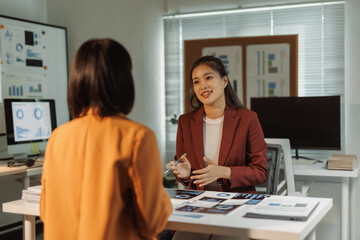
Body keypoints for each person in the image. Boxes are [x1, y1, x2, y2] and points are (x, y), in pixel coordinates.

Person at [40, 38, 172, 240]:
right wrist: (163, 199)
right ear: (123, 81)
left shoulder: (57, 137)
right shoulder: (138, 137)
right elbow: (151, 223)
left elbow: (46, 211)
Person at [171, 55, 268, 193]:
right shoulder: (185, 122)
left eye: (208, 78)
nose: (202, 86)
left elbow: (260, 172)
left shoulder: (248, 119)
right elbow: (182, 168)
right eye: (196, 81)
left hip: (237, 203)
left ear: (224, 81)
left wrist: (224, 172)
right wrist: (185, 175)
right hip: (200, 203)